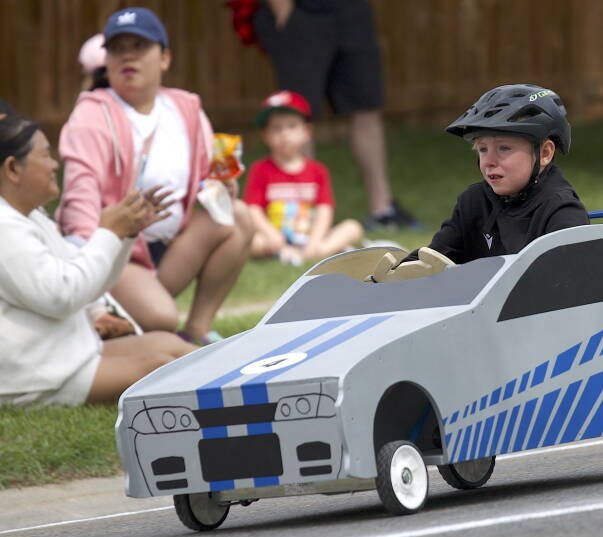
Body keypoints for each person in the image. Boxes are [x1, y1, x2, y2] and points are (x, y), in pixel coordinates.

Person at [57, 7, 255, 345]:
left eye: (139, 45)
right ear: (106, 60)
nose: (128, 55)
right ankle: (109, 313)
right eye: (117, 48)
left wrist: (222, 187)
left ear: (164, 58)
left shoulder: (185, 107)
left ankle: (197, 329)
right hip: (116, 253)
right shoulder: (91, 112)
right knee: (161, 318)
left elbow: (207, 176)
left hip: (172, 245)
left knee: (237, 217)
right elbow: (80, 193)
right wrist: (87, 266)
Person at [0, 108, 196, 405]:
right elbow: (62, 296)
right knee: (160, 368)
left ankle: (249, 375)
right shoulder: (5, 229)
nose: (55, 164)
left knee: (171, 345)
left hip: (67, 352)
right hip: (38, 375)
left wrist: (126, 234)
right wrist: (108, 233)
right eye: (45, 155)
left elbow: (89, 283)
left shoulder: (30, 218)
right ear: (13, 169)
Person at [228, 0, 420, 230]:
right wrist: (283, 10)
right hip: (300, 11)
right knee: (297, 113)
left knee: (366, 106)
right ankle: (302, 214)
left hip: (352, 11)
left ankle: (383, 210)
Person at [384, 84, 587, 277]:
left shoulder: (562, 210)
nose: (489, 161)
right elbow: (434, 259)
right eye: (482, 149)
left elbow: (568, 289)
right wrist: (393, 277)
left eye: (504, 148)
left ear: (544, 153)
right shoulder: (473, 202)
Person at [243, 90, 363, 265]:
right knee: (252, 242)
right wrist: (272, 236)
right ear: (265, 135)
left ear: (306, 131)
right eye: (277, 128)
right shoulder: (260, 170)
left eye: (292, 126)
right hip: (275, 238)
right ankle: (303, 253)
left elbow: (324, 210)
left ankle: (313, 252)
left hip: (311, 235)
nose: (285, 134)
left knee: (353, 227)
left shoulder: (317, 171)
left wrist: (314, 242)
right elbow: (253, 210)